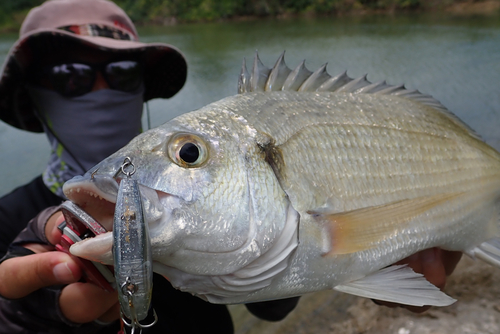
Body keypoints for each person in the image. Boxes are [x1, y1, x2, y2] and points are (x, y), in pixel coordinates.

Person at [0, 1, 299, 333]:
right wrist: (19, 318)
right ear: (33, 99)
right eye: (69, 76)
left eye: (123, 72)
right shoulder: (6, 219)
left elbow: (276, 308)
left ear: (142, 88)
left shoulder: (204, 186)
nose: (103, 90)